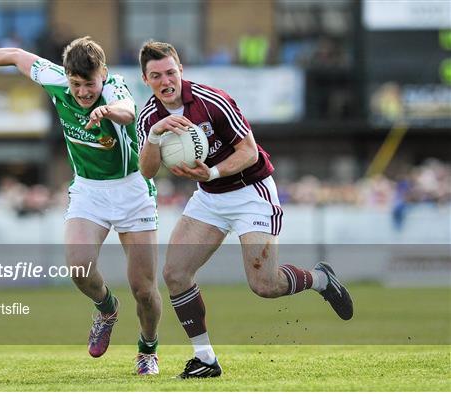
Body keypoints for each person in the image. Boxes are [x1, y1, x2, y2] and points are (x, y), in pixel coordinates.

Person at [137, 40, 353, 379]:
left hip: (250, 191)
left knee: (265, 285)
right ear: (145, 79)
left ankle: (321, 279)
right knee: (175, 274)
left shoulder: (212, 101)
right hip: (209, 197)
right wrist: (153, 137)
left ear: (180, 70)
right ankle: (205, 359)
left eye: (169, 72)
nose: (165, 81)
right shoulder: (150, 117)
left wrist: (212, 171)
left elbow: (250, 152)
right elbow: (147, 171)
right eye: (155, 76)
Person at [0, 37, 162, 375]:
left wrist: (107, 109)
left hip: (132, 190)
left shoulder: (115, 88)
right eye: (76, 84)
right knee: (78, 267)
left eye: (89, 84)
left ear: (103, 74)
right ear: (66, 76)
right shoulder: (55, 78)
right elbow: (16, 55)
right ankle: (107, 309)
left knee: (144, 288)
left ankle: (148, 349)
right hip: (89, 190)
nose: (82, 92)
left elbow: (128, 112)